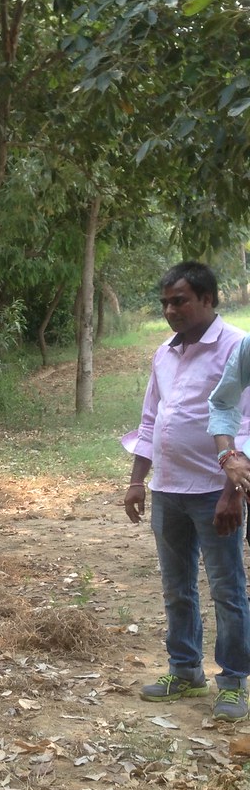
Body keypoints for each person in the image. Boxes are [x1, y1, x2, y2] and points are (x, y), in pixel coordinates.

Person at [123, 260, 250, 723]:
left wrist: (231, 492)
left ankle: (234, 681)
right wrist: (139, 480)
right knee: (177, 588)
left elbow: (246, 425)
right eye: (165, 303)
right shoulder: (164, 353)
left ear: (208, 299)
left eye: (180, 301)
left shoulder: (238, 347)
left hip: (215, 493)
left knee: (227, 589)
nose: (171, 310)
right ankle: (185, 669)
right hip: (168, 491)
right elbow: (151, 419)